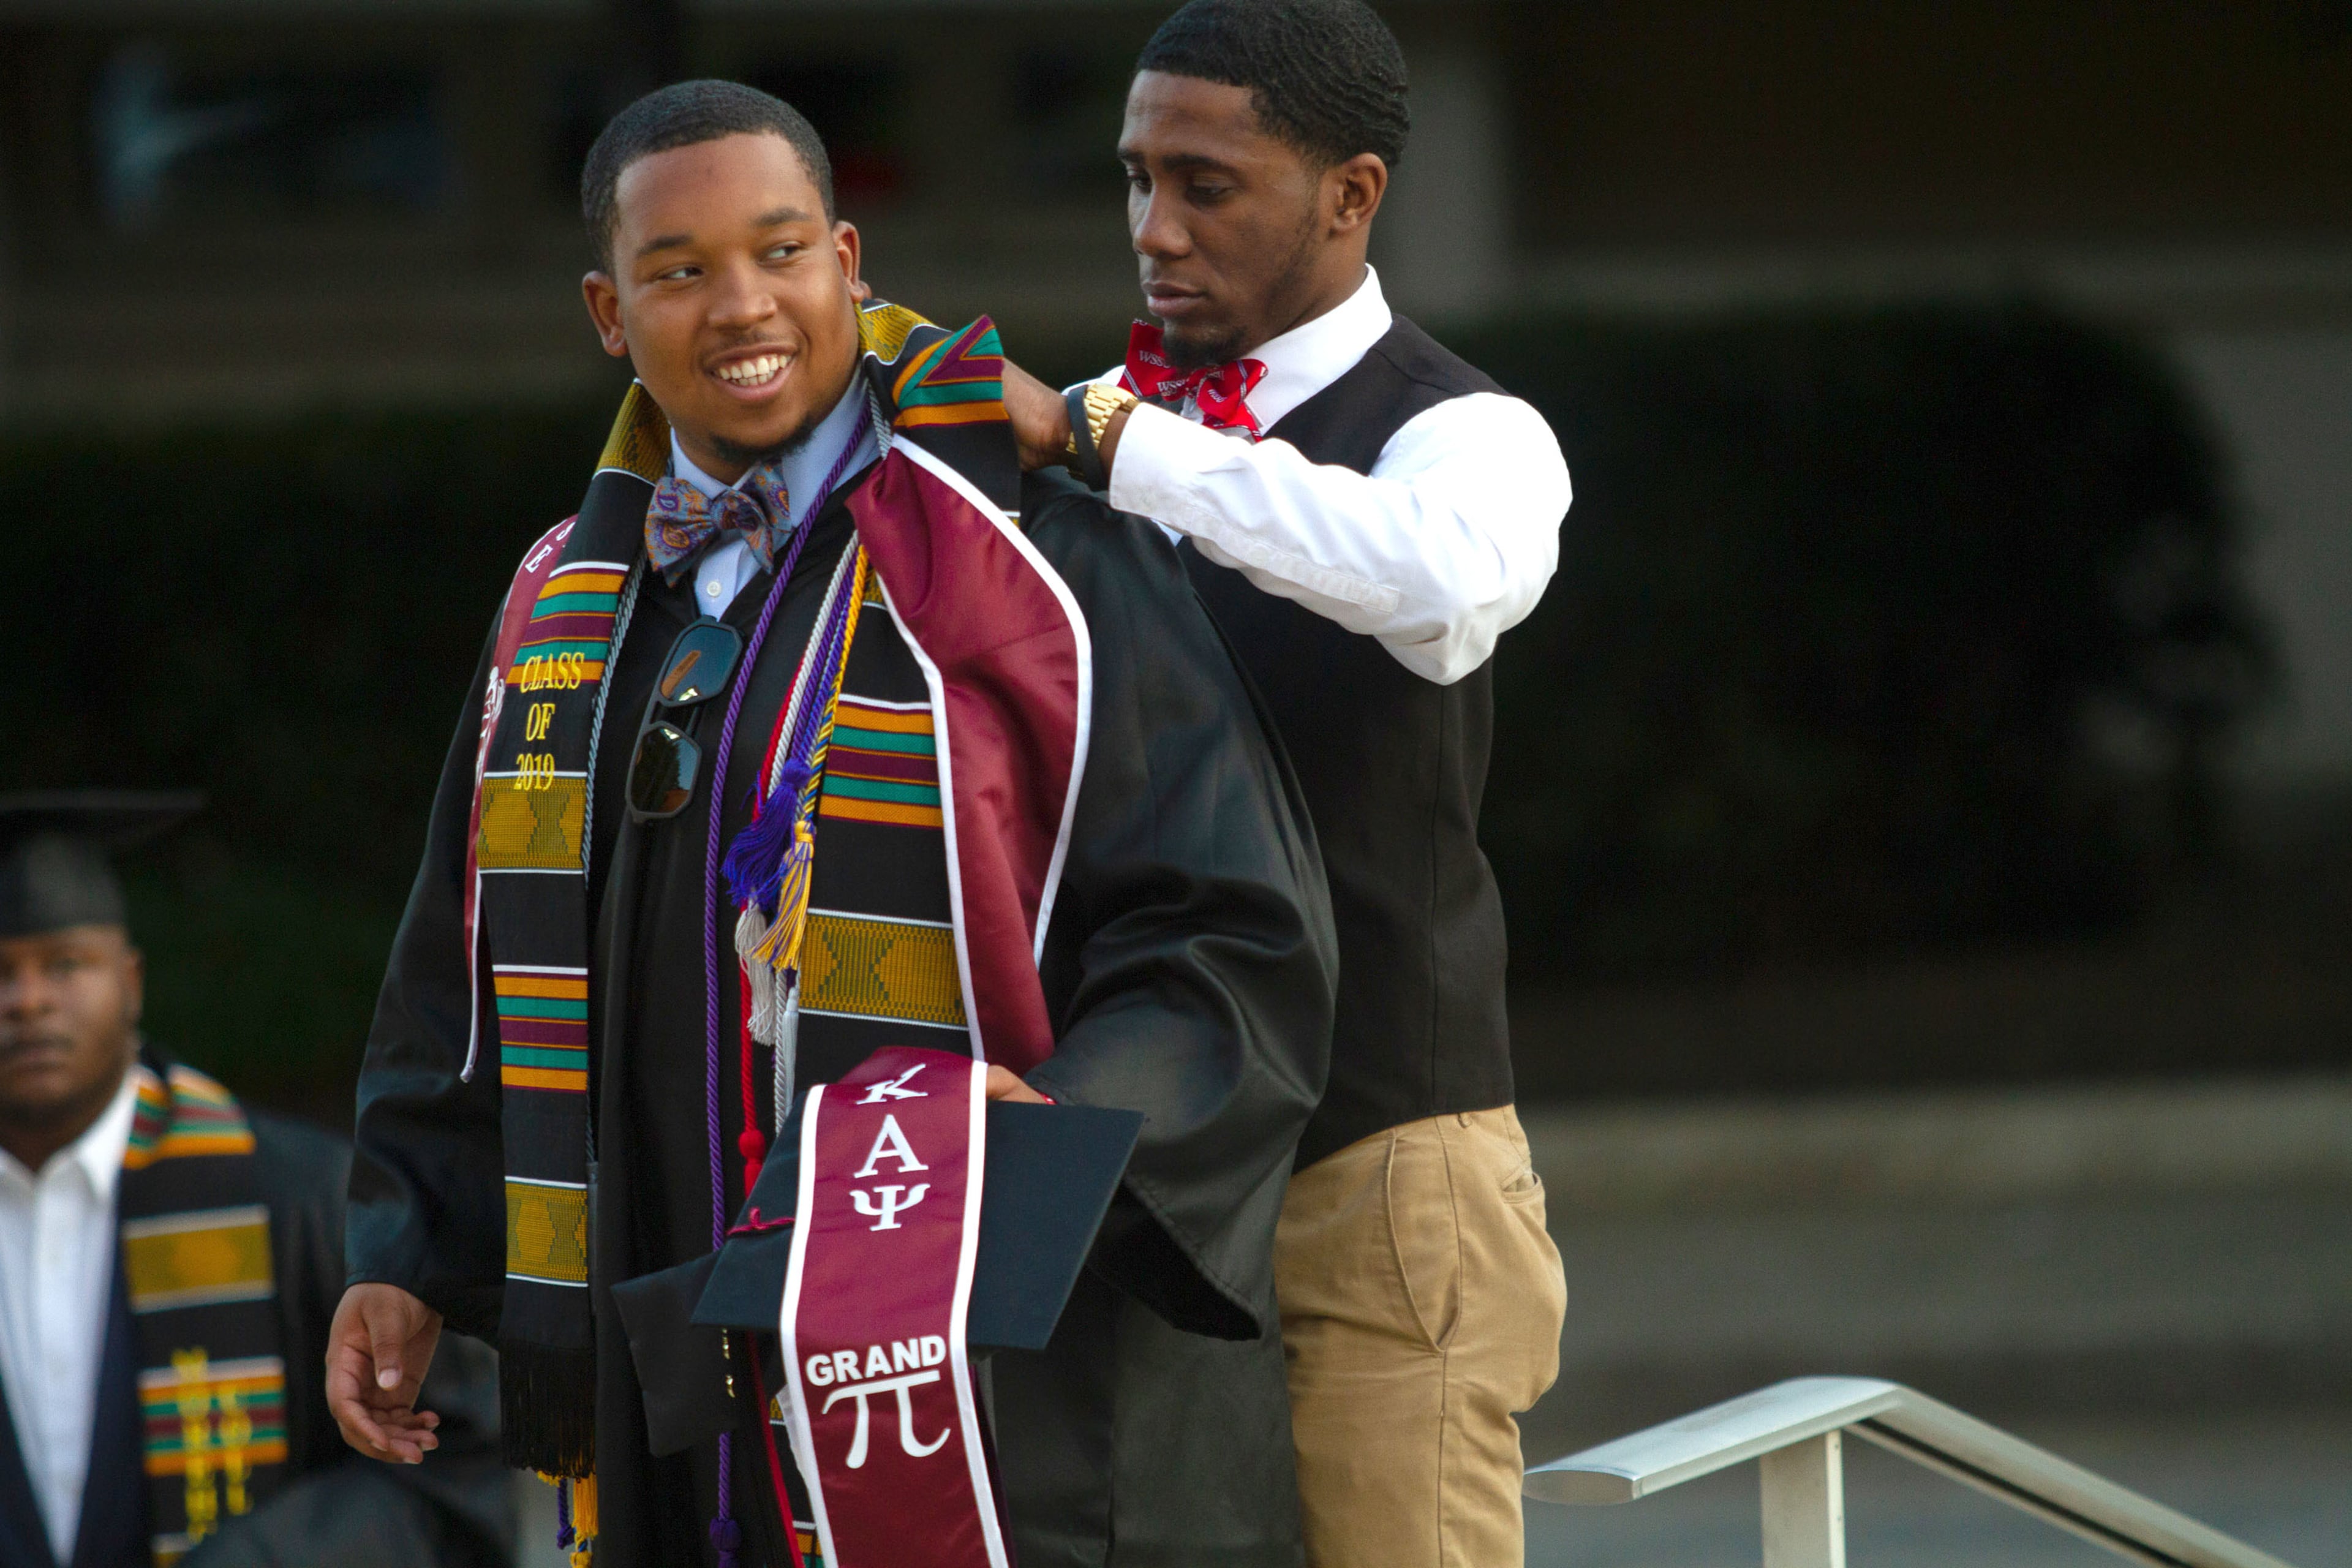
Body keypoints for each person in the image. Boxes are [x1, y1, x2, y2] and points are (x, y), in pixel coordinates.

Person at [332, 81, 1335, 1567]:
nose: (741, 304)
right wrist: (407, 1243)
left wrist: (1052, 1123)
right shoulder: (563, 608)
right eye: (679, 270)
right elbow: (459, 957)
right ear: (610, 313)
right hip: (670, 1350)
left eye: (780, 250)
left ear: (848, 263)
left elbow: (1227, 927)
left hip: (975, 1363)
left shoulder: (1031, 564)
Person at [998, 4, 1574, 1564]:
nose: (1151, 230)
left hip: (1378, 1163)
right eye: (1131, 180)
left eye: (1205, 185)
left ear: (1350, 195)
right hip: (1142, 1177)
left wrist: (1108, 442)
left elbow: (1437, 585)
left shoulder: (1467, 432)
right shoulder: (1098, 435)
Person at [0, 792, 510, 1568]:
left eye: (65, 964)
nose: (29, 1000)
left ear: (131, 981)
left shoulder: (303, 1196)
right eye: (1, 972)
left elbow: (452, 1474)